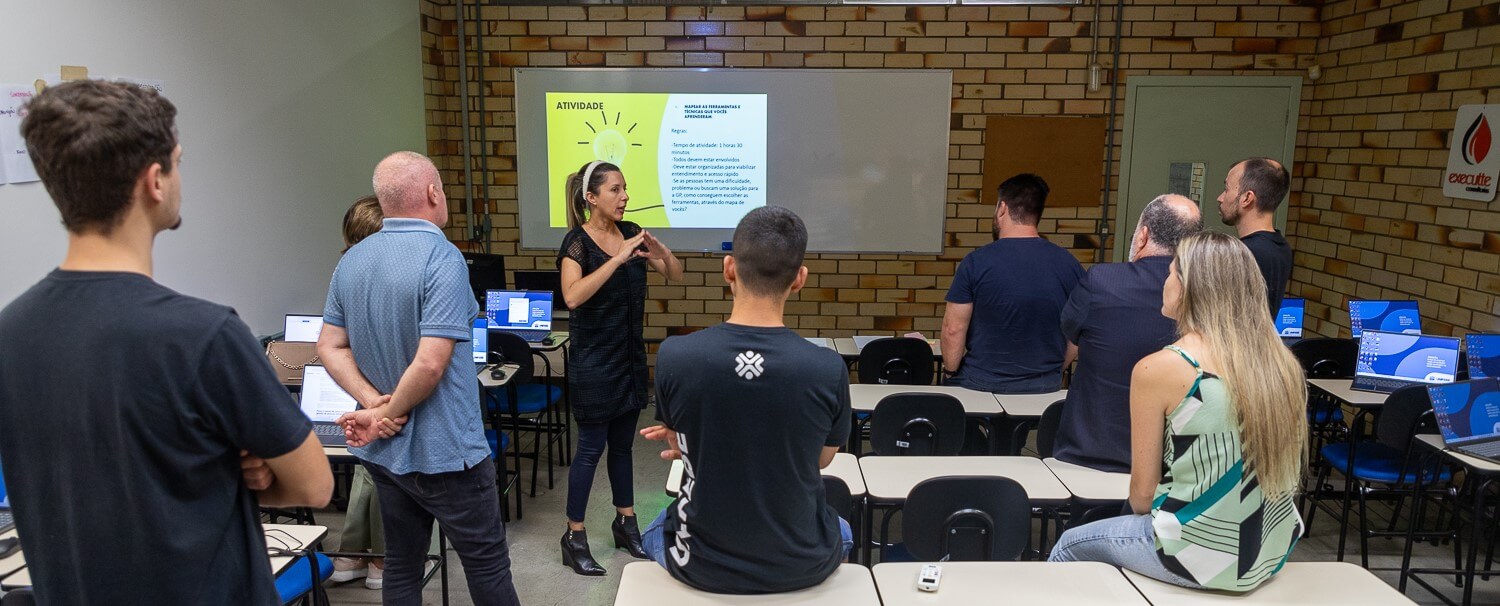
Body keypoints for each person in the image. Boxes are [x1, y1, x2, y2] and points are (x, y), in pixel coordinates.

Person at [0, 79, 333, 604]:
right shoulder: (205, 336)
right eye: (177, 162)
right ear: (155, 181)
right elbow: (314, 487)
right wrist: (246, 471)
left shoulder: (10, 332)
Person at [1049, 230, 1307, 592]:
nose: (1164, 281)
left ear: (1188, 288)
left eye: (1171, 272)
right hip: (1269, 552)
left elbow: (1142, 498)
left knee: (1066, 547)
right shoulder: (1283, 367)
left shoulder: (1163, 368)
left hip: (1198, 555)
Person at [318, 151, 520, 605]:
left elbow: (329, 345)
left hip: (387, 456)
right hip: (448, 456)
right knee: (487, 568)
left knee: (403, 567)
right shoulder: (442, 258)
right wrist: (384, 411)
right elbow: (430, 364)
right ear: (432, 192)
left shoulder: (352, 261)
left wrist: (373, 407)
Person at [639, 206, 853, 594]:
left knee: (655, 525)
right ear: (800, 279)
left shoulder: (675, 356)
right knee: (842, 529)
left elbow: (679, 439)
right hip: (801, 564)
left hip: (700, 564)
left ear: (729, 269)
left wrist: (695, 448)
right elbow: (820, 459)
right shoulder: (828, 367)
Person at [557, 160, 683, 575]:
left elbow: (675, 275)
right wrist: (617, 259)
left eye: (625, 189)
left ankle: (625, 521)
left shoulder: (631, 233)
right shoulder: (577, 244)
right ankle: (574, 535)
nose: (625, 196)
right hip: (593, 363)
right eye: (615, 190)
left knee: (624, 447)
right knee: (591, 450)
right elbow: (573, 297)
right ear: (591, 197)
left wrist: (660, 252)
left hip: (629, 360)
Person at [1052, 194, 1203, 473]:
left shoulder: (1101, 281)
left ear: (1143, 235)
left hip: (1090, 454)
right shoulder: (1205, 295)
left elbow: (1067, 340)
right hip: (1172, 466)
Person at [942, 173, 1085, 394]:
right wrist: (1053, 371)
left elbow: (953, 329)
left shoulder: (975, 262)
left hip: (980, 383)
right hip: (1044, 384)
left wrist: (950, 373)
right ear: (1037, 214)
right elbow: (1077, 331)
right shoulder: (1069, 264)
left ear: (1002, 208)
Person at [329, 195, 389, 589]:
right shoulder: (385, 275)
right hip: (386, 390)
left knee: (369, 469)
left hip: (360, 385)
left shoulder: (343, 272)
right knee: (387, 474)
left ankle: (351, 554)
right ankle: (382, 561)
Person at [1216, 157, 1293, 314]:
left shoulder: (1245, 254)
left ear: (1247, 198)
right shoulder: (1281, 248)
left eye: (1227, 189)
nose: (1220, 197)